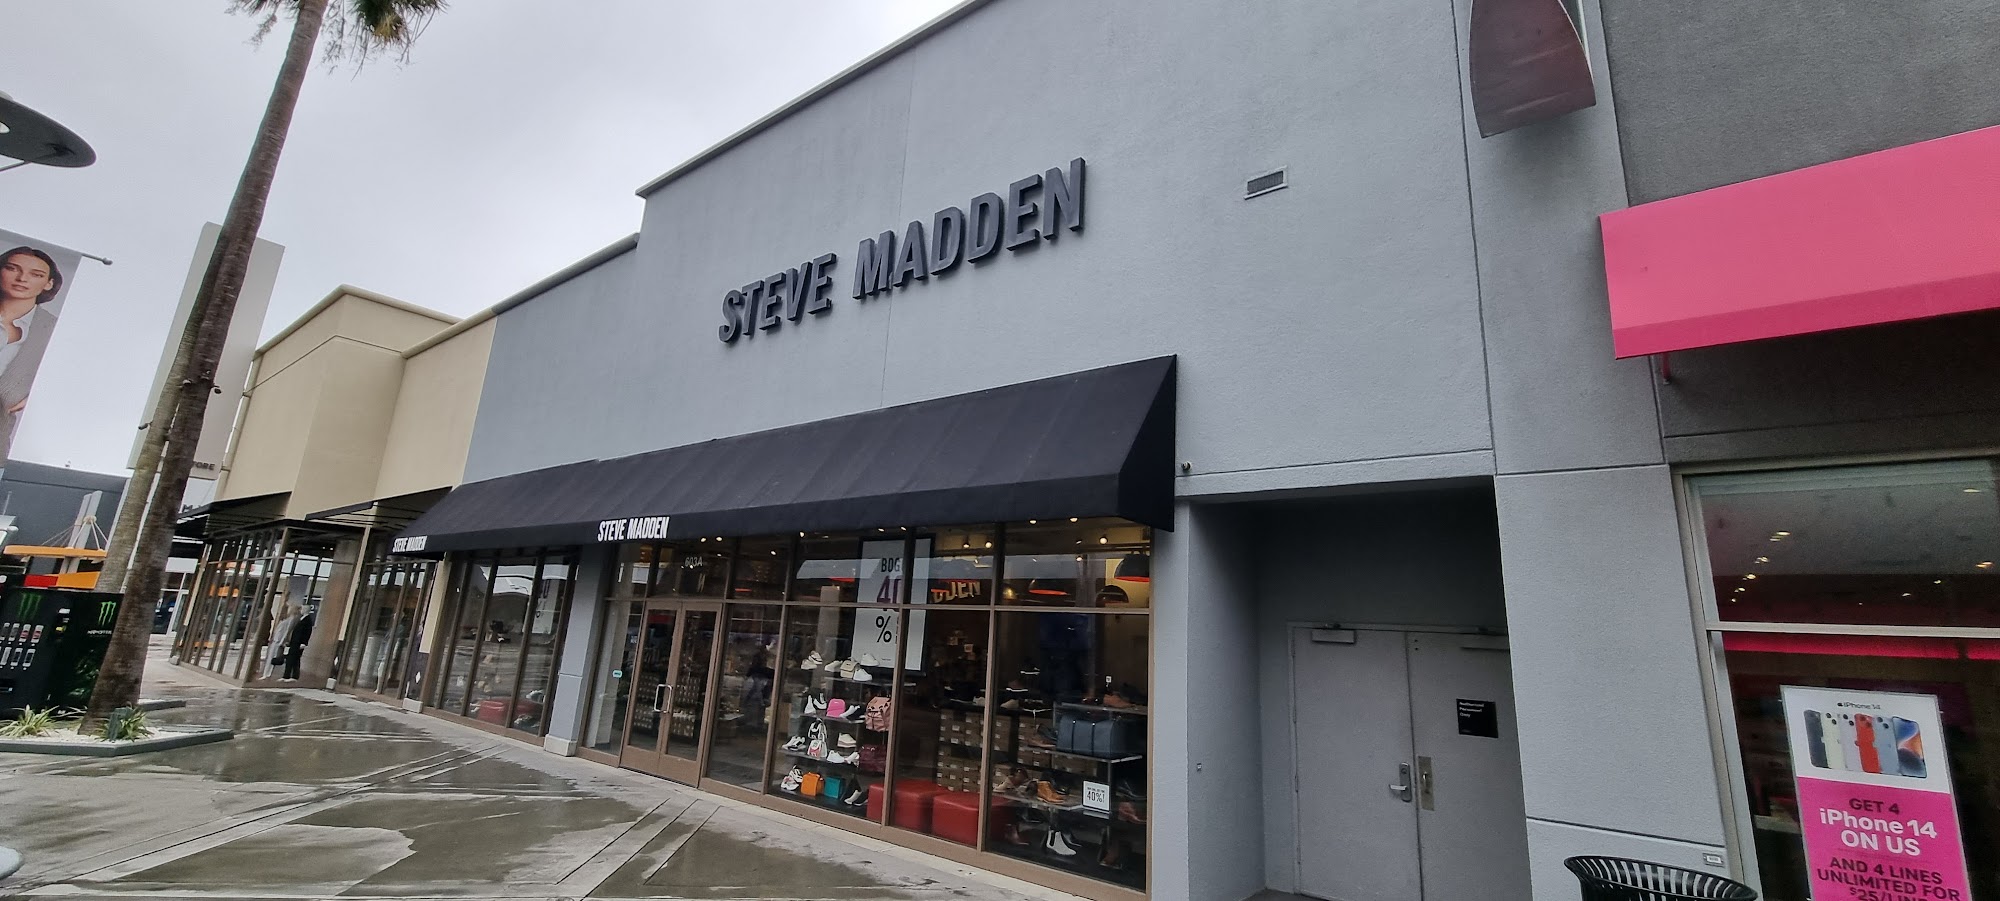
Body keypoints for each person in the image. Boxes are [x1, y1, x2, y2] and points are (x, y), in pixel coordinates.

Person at [0, 247, 63, 457]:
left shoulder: (55, 330)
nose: (22, 279)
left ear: (49, 283)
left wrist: (37, 395)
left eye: (36, 274)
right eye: (12, 269)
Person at [283, 608, 316, 681]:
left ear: (306, 610)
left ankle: (293, 676)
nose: (301, 610)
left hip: (299, 643)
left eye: (303, 609)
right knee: (292, 658)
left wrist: (304, 643)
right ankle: (287, 675)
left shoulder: (307, 620)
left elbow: (308, 632)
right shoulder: (301, 619)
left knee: (295, 658)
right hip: (295, 642)